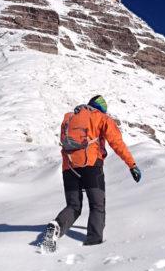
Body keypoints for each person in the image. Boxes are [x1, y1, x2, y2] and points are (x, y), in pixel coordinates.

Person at [42, 94, 141, 252]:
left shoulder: (70, 117)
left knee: (74, 206)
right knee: (97, 205)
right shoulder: (101, 118)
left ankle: (57, 226)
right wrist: (132, 165)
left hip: (69, 167)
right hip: (91, 166)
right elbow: (117, 143)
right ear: (102, 108)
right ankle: (93, 245)